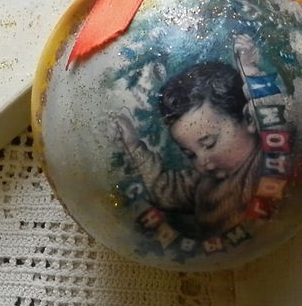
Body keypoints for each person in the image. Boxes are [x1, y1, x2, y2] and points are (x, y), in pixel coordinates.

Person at [113, 34, 277, 238]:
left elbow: (273, 118)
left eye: (209, 143)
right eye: (190, 154)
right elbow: (164, 190)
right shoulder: (203, 180)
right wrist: (133, 146)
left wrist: (251, 73)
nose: (202, 162)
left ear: (249, 119)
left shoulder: (265, 161)